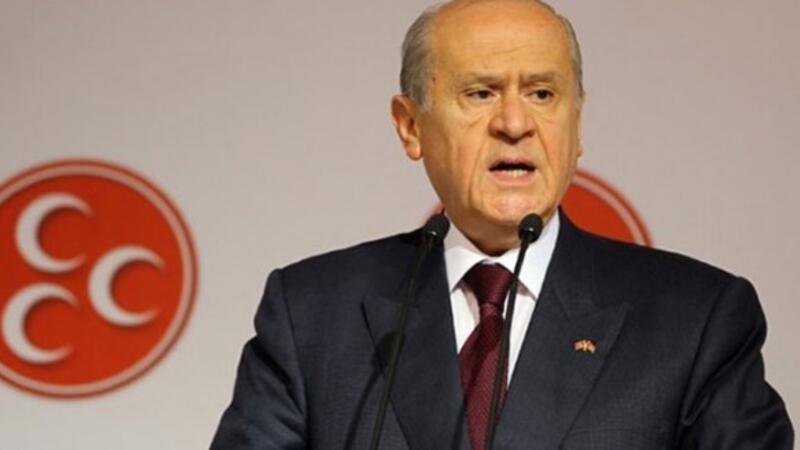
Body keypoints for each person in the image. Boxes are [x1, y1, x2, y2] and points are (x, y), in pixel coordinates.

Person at [211, 0, 794, 448]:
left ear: (577, 123)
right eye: (481, 92)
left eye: (542, 93)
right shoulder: (312, 314)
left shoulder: (696, 320)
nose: (514, 123)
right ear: (410, 125)